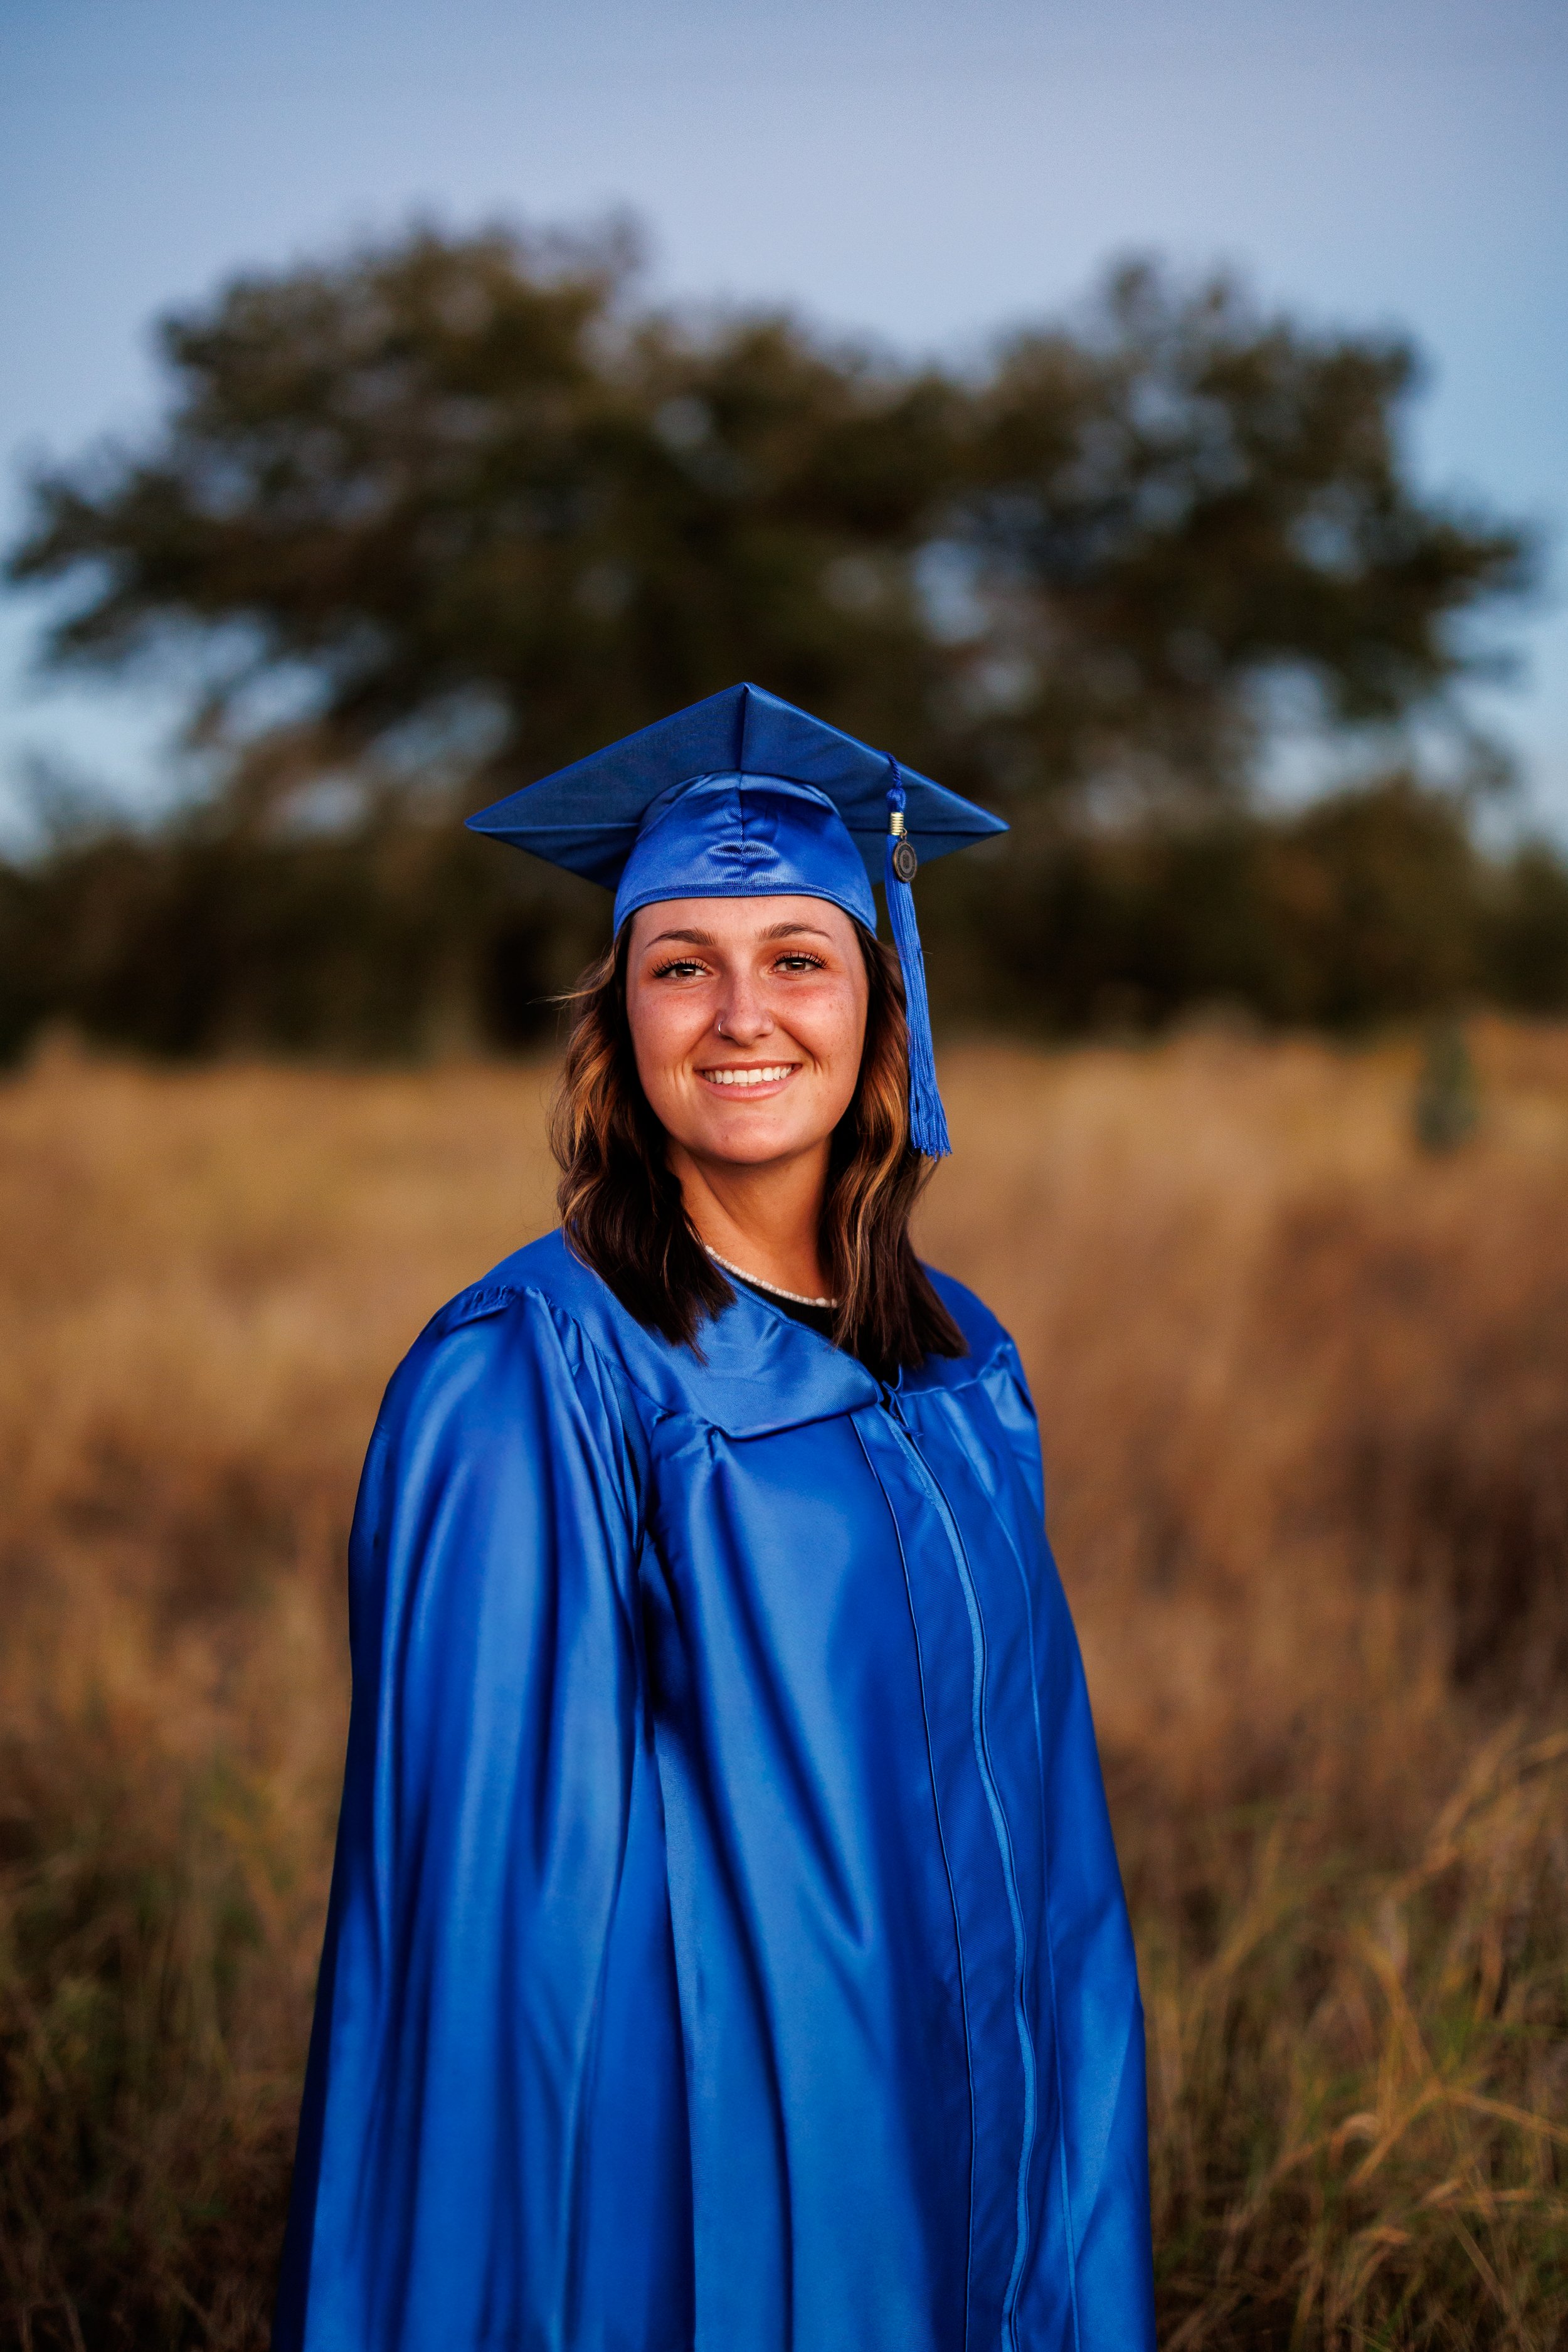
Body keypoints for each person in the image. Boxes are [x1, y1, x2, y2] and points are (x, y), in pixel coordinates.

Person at [273, 684, 1155, 2352]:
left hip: (963, 2077)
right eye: (681, 963)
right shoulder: (535, 1371)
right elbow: (487, 1921)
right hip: (694, 2168)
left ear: (877, 1015)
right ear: (620, 1019)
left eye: (797, 959)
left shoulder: (960, 1355)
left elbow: (1030, 1796)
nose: (741, 1014)